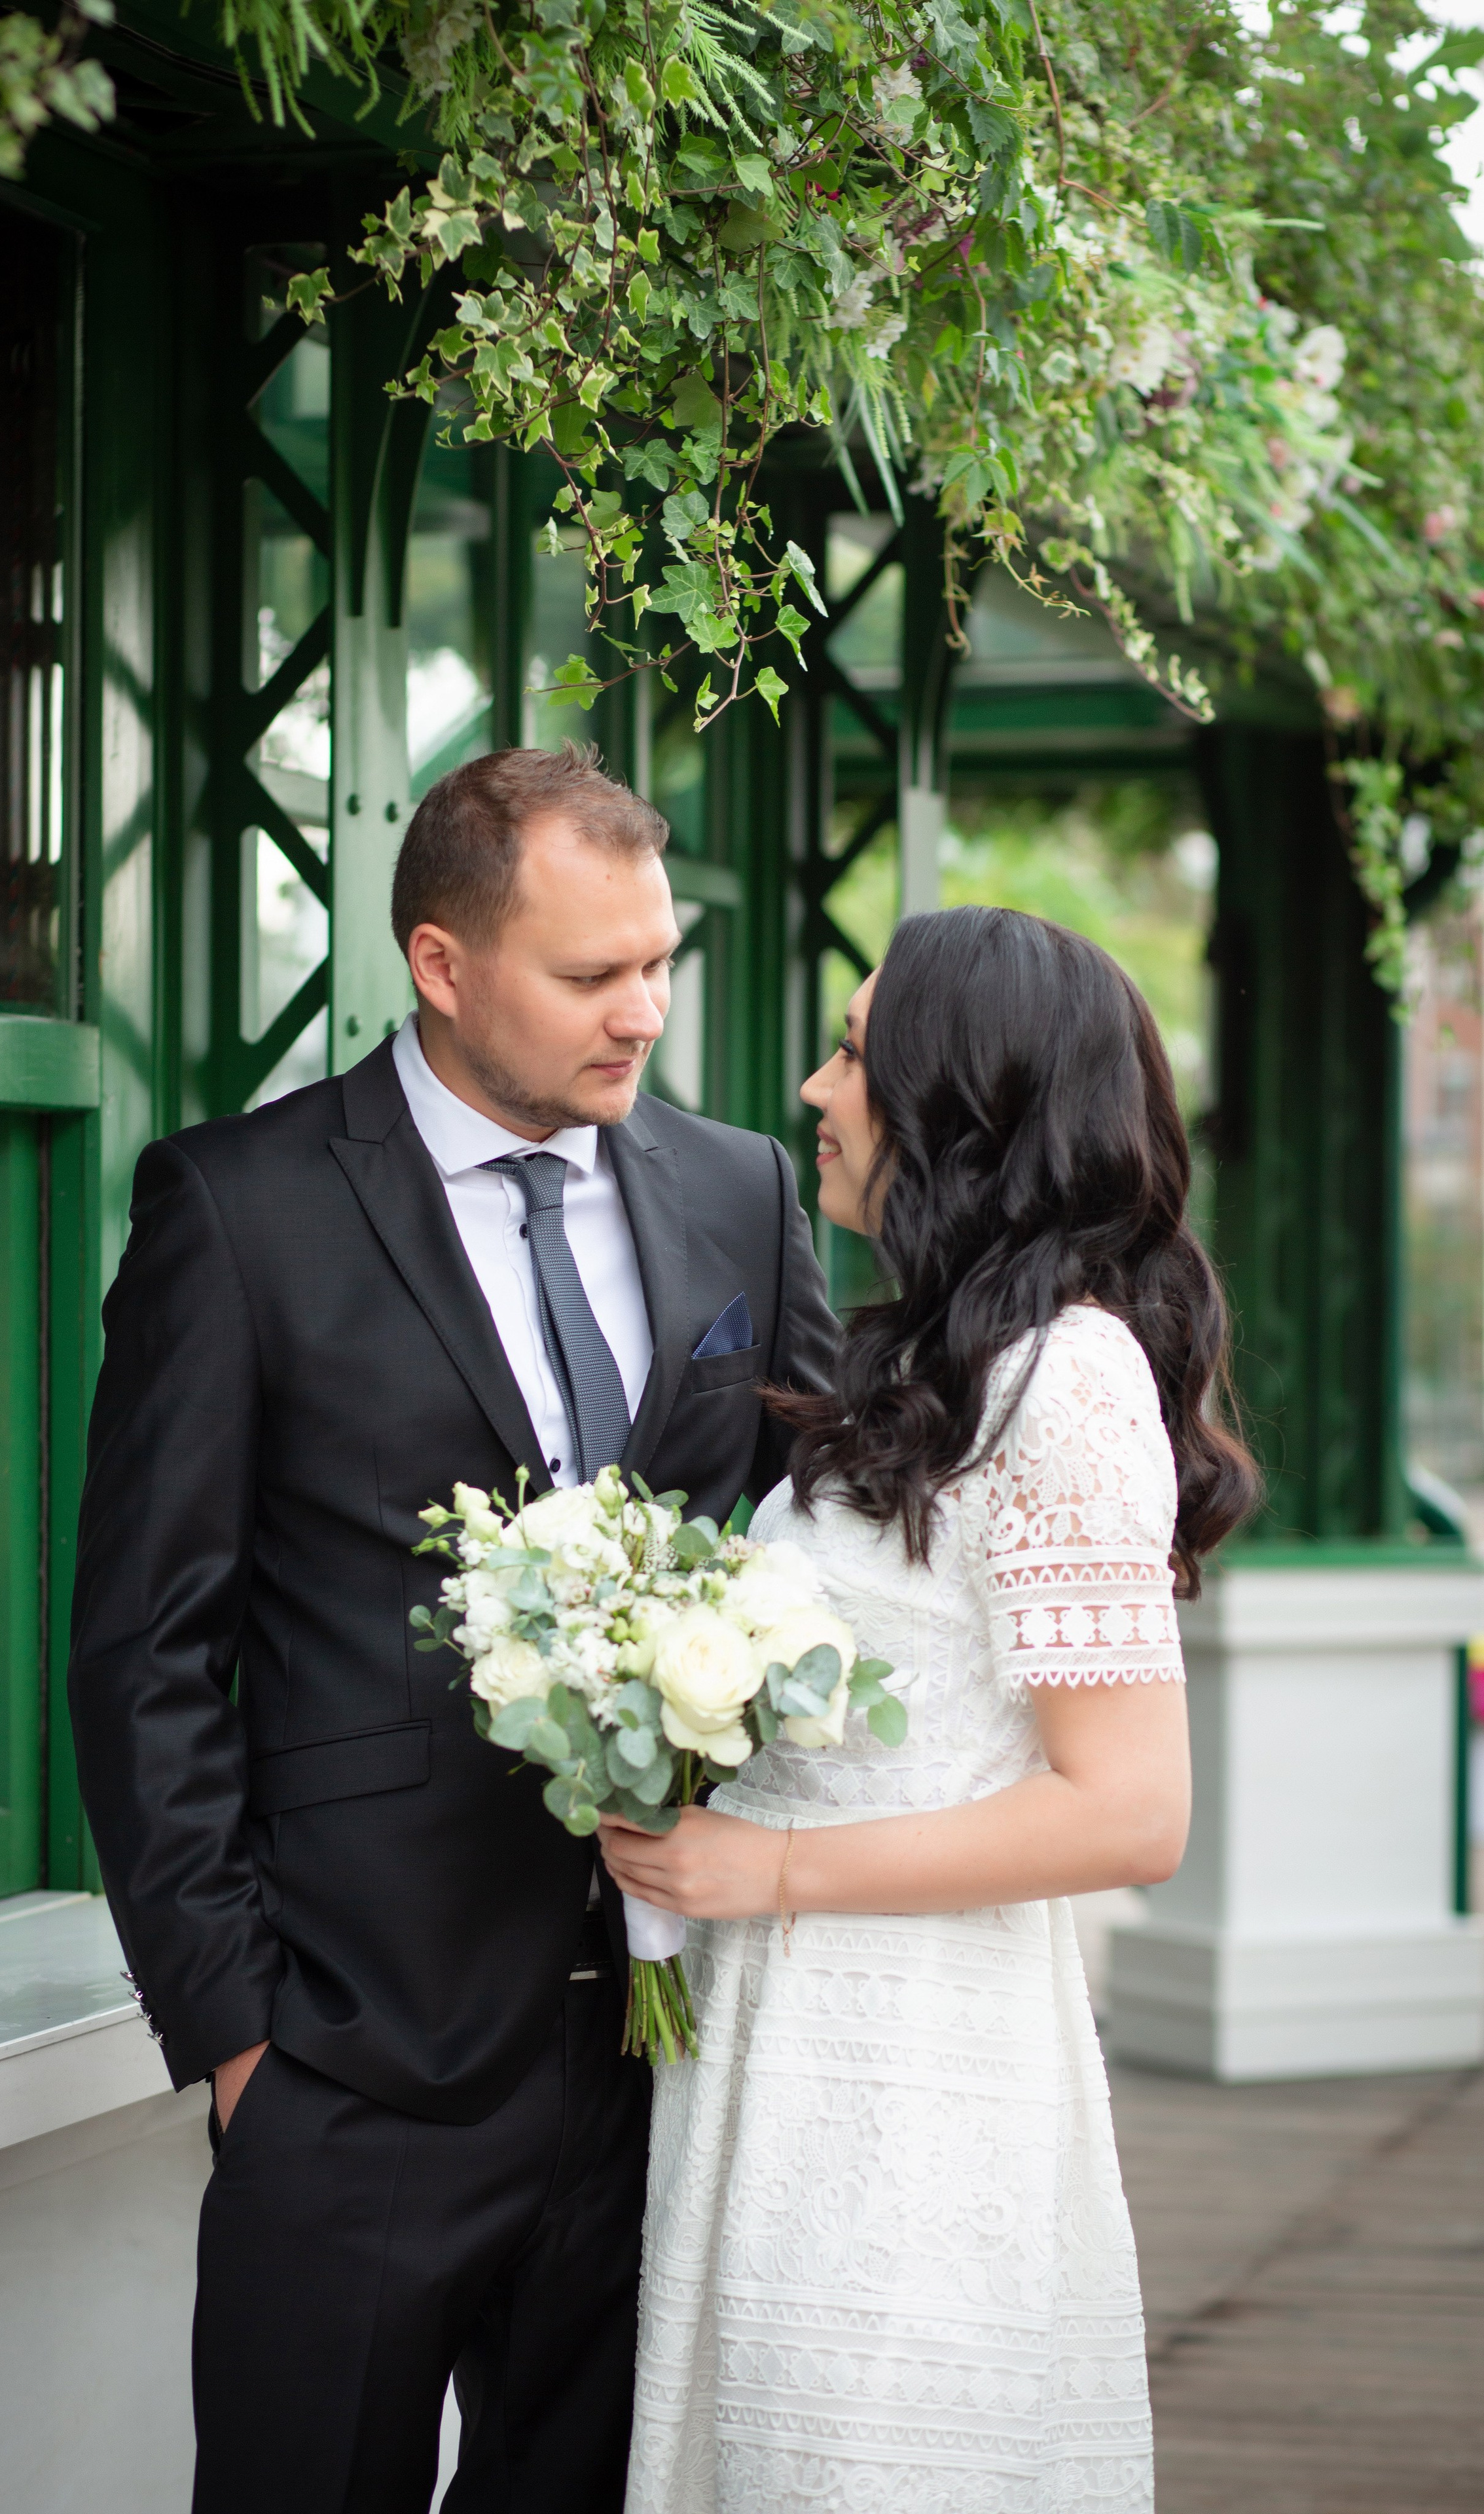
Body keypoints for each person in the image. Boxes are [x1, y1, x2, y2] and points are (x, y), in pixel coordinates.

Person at [67, 745, 838, 2514]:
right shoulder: (237, 1209)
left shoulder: (739, 1192)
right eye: (591, 974)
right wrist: (240, 2040)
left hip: (657, 2054)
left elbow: (823, 1528)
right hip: (347, 2058)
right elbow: (143, 1652)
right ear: (440, 963)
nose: (643, 1013)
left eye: (658, 963)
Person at [602, 905, 1261, 2514]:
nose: (814, 1090)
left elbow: (1129, 1812)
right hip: (773, 2048)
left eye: (853, 1054)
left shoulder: (1067, 1383)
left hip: (907, 2069)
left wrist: (770, 1868)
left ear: (959, 1102)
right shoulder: (940, 1364)